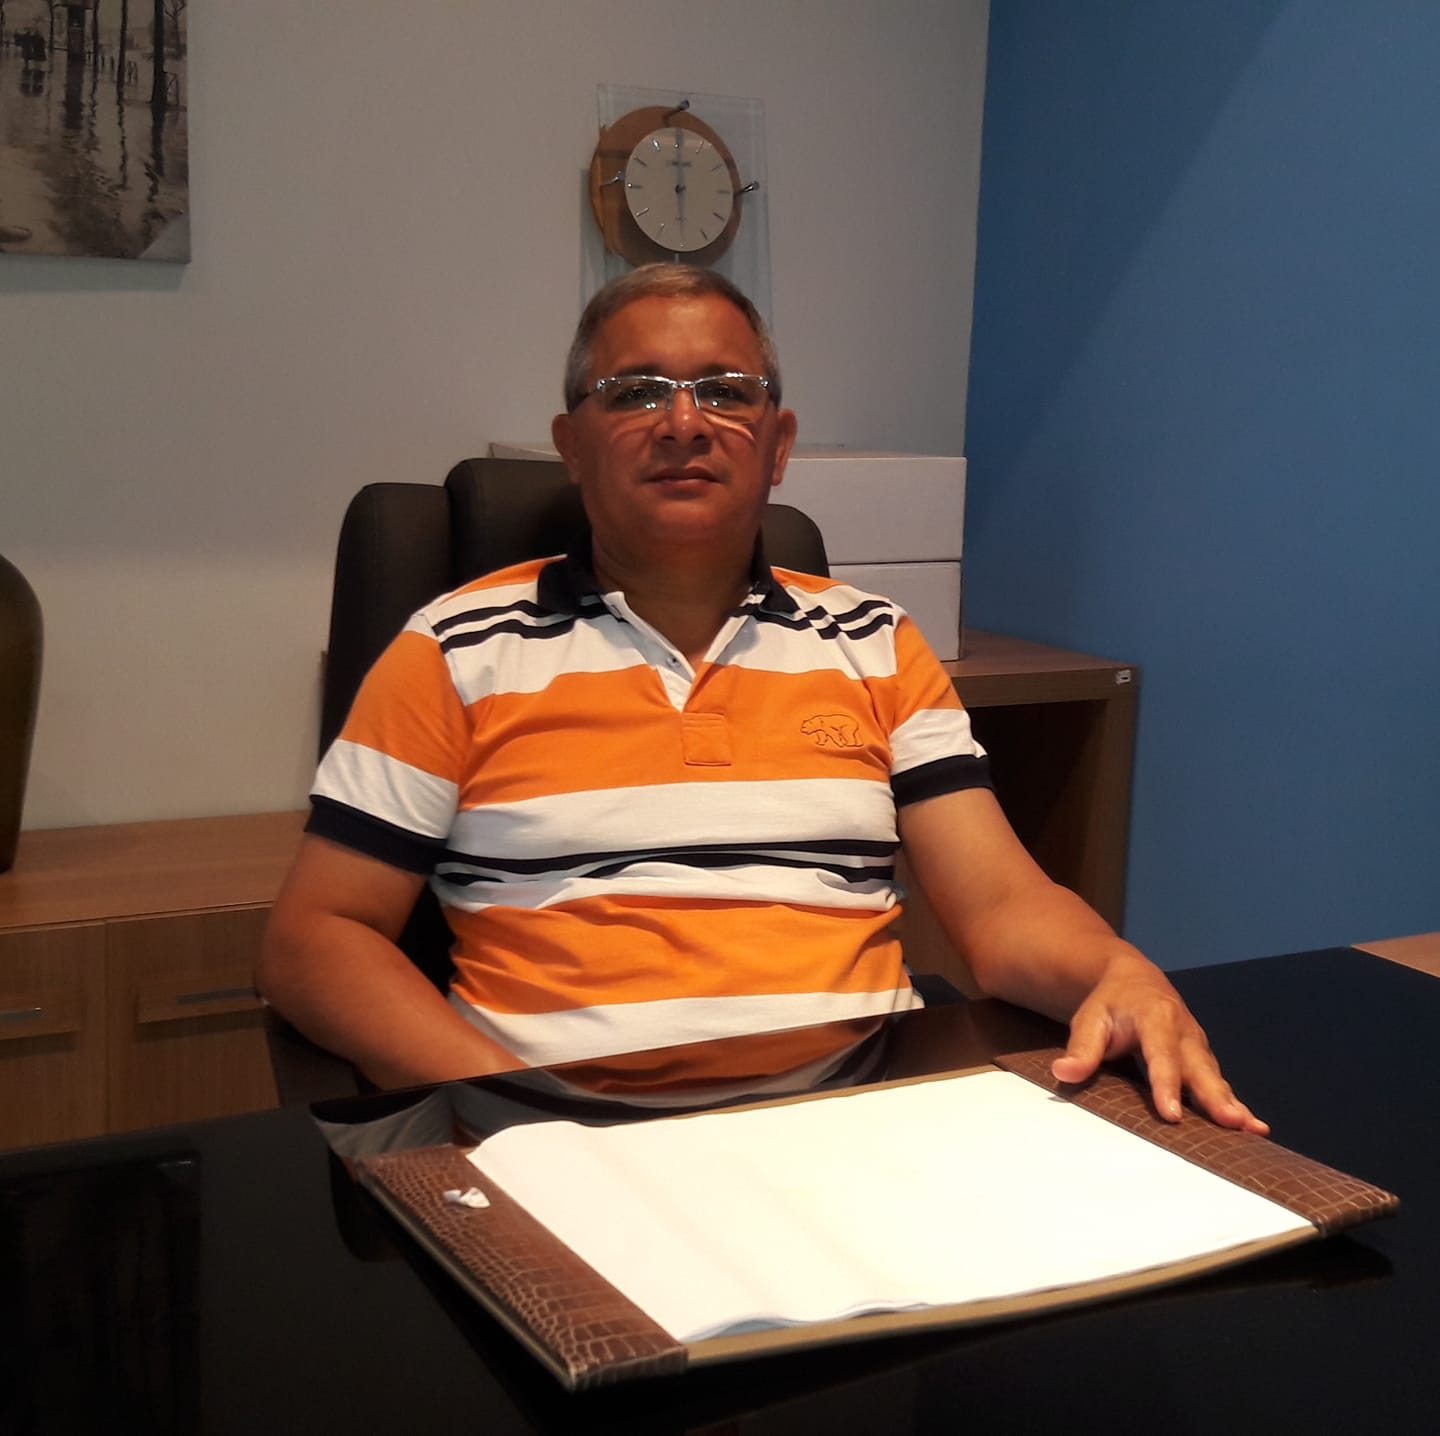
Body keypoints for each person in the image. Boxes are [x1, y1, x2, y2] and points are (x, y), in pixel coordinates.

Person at [258, 264, 1266, 1134]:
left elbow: (1002, 904)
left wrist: (1116, 970)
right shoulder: (455, 648)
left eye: (725, 392)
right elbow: (316, 939)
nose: (683, 422)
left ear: (778, 445)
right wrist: (504, 1109)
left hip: (862, 1126)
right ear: (572, 444)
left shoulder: (874, 641)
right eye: (636, 391)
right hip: (561, 1137)